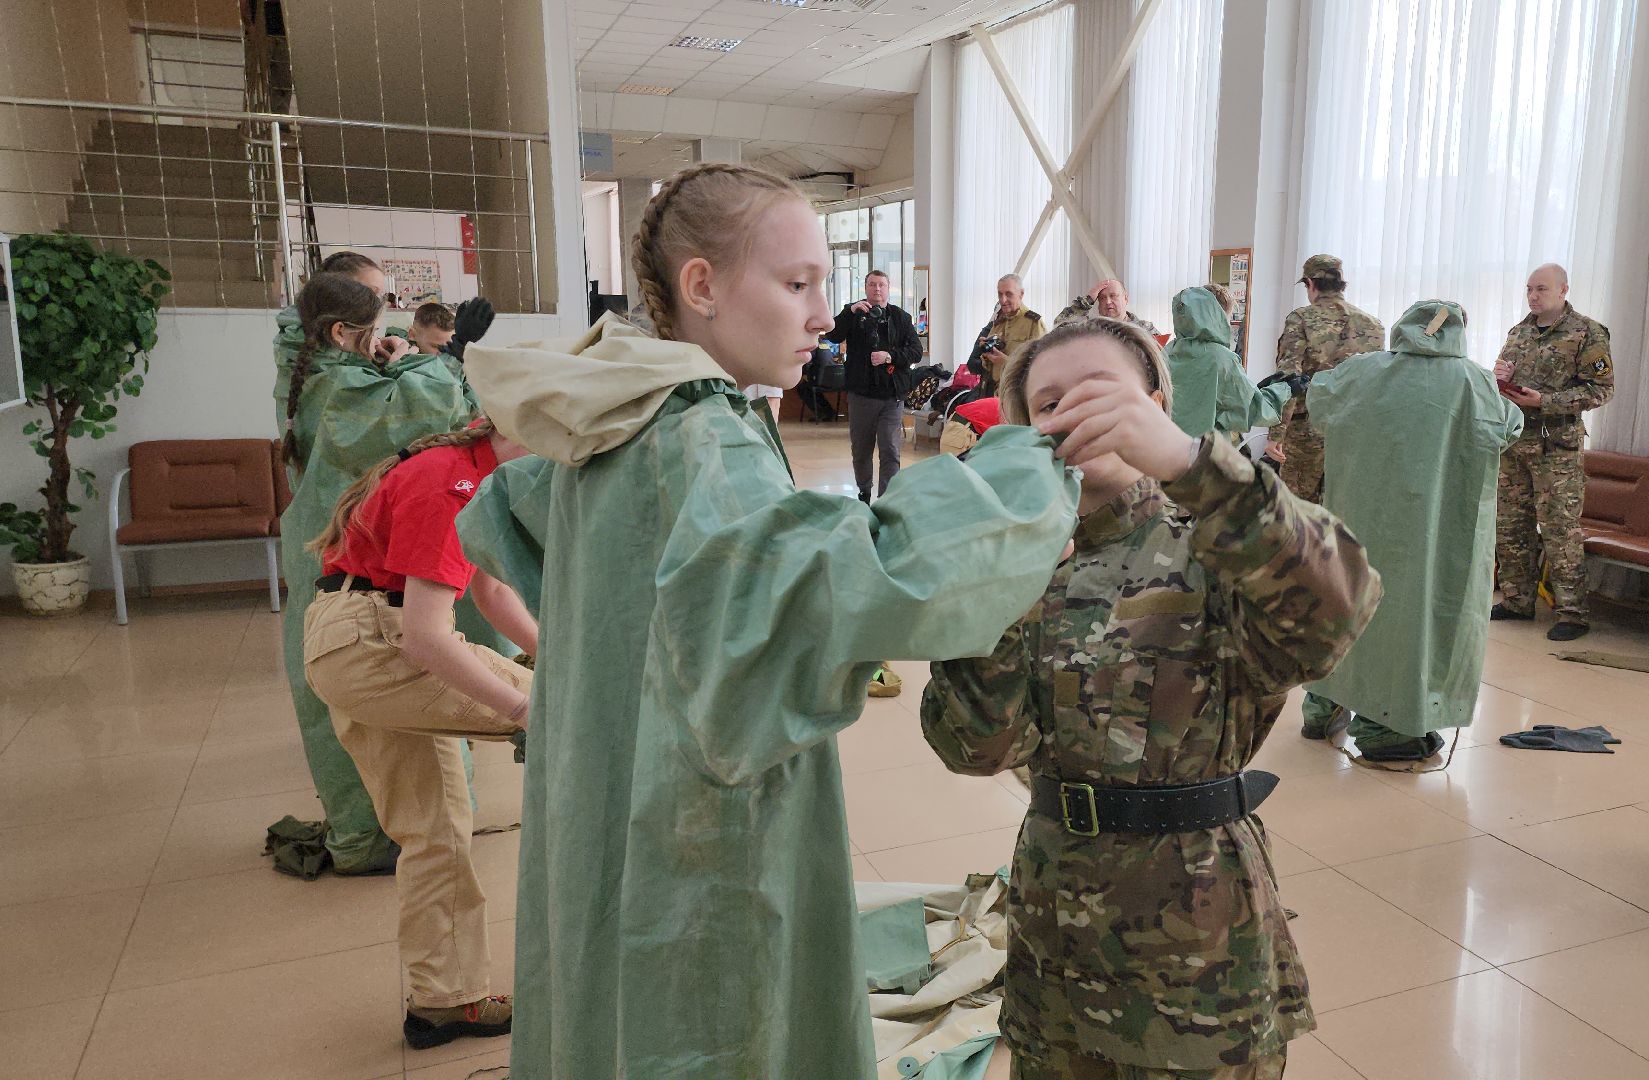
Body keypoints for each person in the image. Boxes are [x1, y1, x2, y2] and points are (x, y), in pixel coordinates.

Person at [453, 162, 1080, 1079]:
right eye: (798, 285)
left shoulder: (608, 419)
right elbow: (858, 577)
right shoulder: (699, 436)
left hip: (603, 789)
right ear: (701, 287)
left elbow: (511, 526)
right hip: (695, 827)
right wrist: (1029, 476)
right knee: (714, 1023)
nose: (823, 314)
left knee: (604, 1000)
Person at [922, 316, 1381, 1079]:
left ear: (1156, 402)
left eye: (1101, 392)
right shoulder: (1019, 561)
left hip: (1195, 944)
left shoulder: (1207, 543)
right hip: (1055, 929)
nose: (1074, 414)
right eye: (1048, 404)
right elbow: (977, 747)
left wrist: (1193, 465)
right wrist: (992, 591)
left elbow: (1338, 604)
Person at [302, 418, 537, 1048]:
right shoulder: (452, 483)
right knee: (570, 714)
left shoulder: (476, 473)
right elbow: (426, 638)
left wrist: (550, 650)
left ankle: (445, 1002)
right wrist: (524, 710)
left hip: (348, 638)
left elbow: (489, 591)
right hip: (378, 645)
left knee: (433, 831)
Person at [273, 268, 485, 876]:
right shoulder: (344, 392)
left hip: (331, 561)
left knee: (349, 709)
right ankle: (393, 835)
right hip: (359, 570)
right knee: (410, 691)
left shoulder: (307, 363)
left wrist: (390, 356)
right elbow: (431, 410)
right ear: (341, 331)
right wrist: (426, 358)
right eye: (373, 329)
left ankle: (373, 830)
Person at [1294, 301, 1523, 757]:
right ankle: (1389, 728)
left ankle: (1322, 705)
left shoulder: (1359, 372)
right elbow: (1509, 426)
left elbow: (1317, 402)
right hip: (1428, 534)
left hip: (1356, 522)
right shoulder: (1473, 383)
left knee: (1341, 606)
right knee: (1409, 624)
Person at [1490, 263, 1614, 642]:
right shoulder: (1519, 332)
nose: (1533, 296)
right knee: (1511, 527)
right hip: (1515, 444)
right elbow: (1503, 378)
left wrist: (1547, 400)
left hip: (1556, 449)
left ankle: (1572, 611)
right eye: (1529, 289)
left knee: (1560, 530)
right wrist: (1499, 380)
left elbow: (1601, 390)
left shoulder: (1587, 333)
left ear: (1563, 290)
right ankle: (1516, 600)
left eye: (1541, 289)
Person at [1267, 255, 1385, 501]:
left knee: (1298, 512)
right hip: (1352, 431)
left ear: (1310, 284)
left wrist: (1276, 434)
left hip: (1306, 431)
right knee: (1343, 506)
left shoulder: (1301, 319)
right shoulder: (1374, 325)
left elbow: (1289, 380)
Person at [826, 269, 922, 502]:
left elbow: (916, 352)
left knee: (890, 449)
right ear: (866, 288)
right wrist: (850, 312)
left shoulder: (901, 318)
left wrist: (889, 356)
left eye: (881, 285)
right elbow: (833, 334)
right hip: (861, 394)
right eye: (872, 285)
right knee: (861, 449)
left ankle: (887, 498)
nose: (877, 289)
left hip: (891, 396)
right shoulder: (855, 313)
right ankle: (863, 491)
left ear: (888, 288)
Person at [1164, 285, 1269, 438]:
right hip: (1204, 452)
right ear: (1217, 316)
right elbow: (1254, 411)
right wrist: (1281, 390)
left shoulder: (1166, 352)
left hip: (1167, 447)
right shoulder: (1221, 358)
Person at [965, 273, 1048, 393]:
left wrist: (1006, 362)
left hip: (1018, 394)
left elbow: (1041, 367)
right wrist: (986, 353)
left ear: (1021, 294)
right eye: (1000, 294)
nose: (1003, 300)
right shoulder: (998, 323)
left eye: (1009, 294)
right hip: (994, 392)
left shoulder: (1033, 323)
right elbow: (983, 365)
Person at [1057, 278, 1158, 335]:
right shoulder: (1089, 329)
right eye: (1102, 298)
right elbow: (1059, 330)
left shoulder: (1145, 329)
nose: (1108, 302)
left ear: (1126, 298)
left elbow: (1162, 360)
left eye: (1113, 296)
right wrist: (1087, 300)